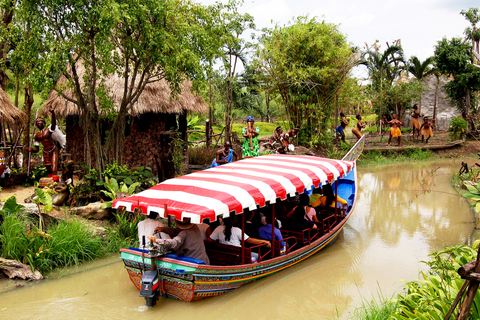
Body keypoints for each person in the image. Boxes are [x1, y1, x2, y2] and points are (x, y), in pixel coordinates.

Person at [29, 108, 60, 176]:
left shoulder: (48, 130)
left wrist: (53, 114)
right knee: (48, 169)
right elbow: (37, 149)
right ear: (36, 125)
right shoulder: (37, 136)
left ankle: (55, 182)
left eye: (41, 122)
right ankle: (50, 183)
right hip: (45, 151)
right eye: (38, 123)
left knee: (54, 169)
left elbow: (53, 124)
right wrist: (32, 150)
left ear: (44, 123)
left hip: (53, 149)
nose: (39, 124)